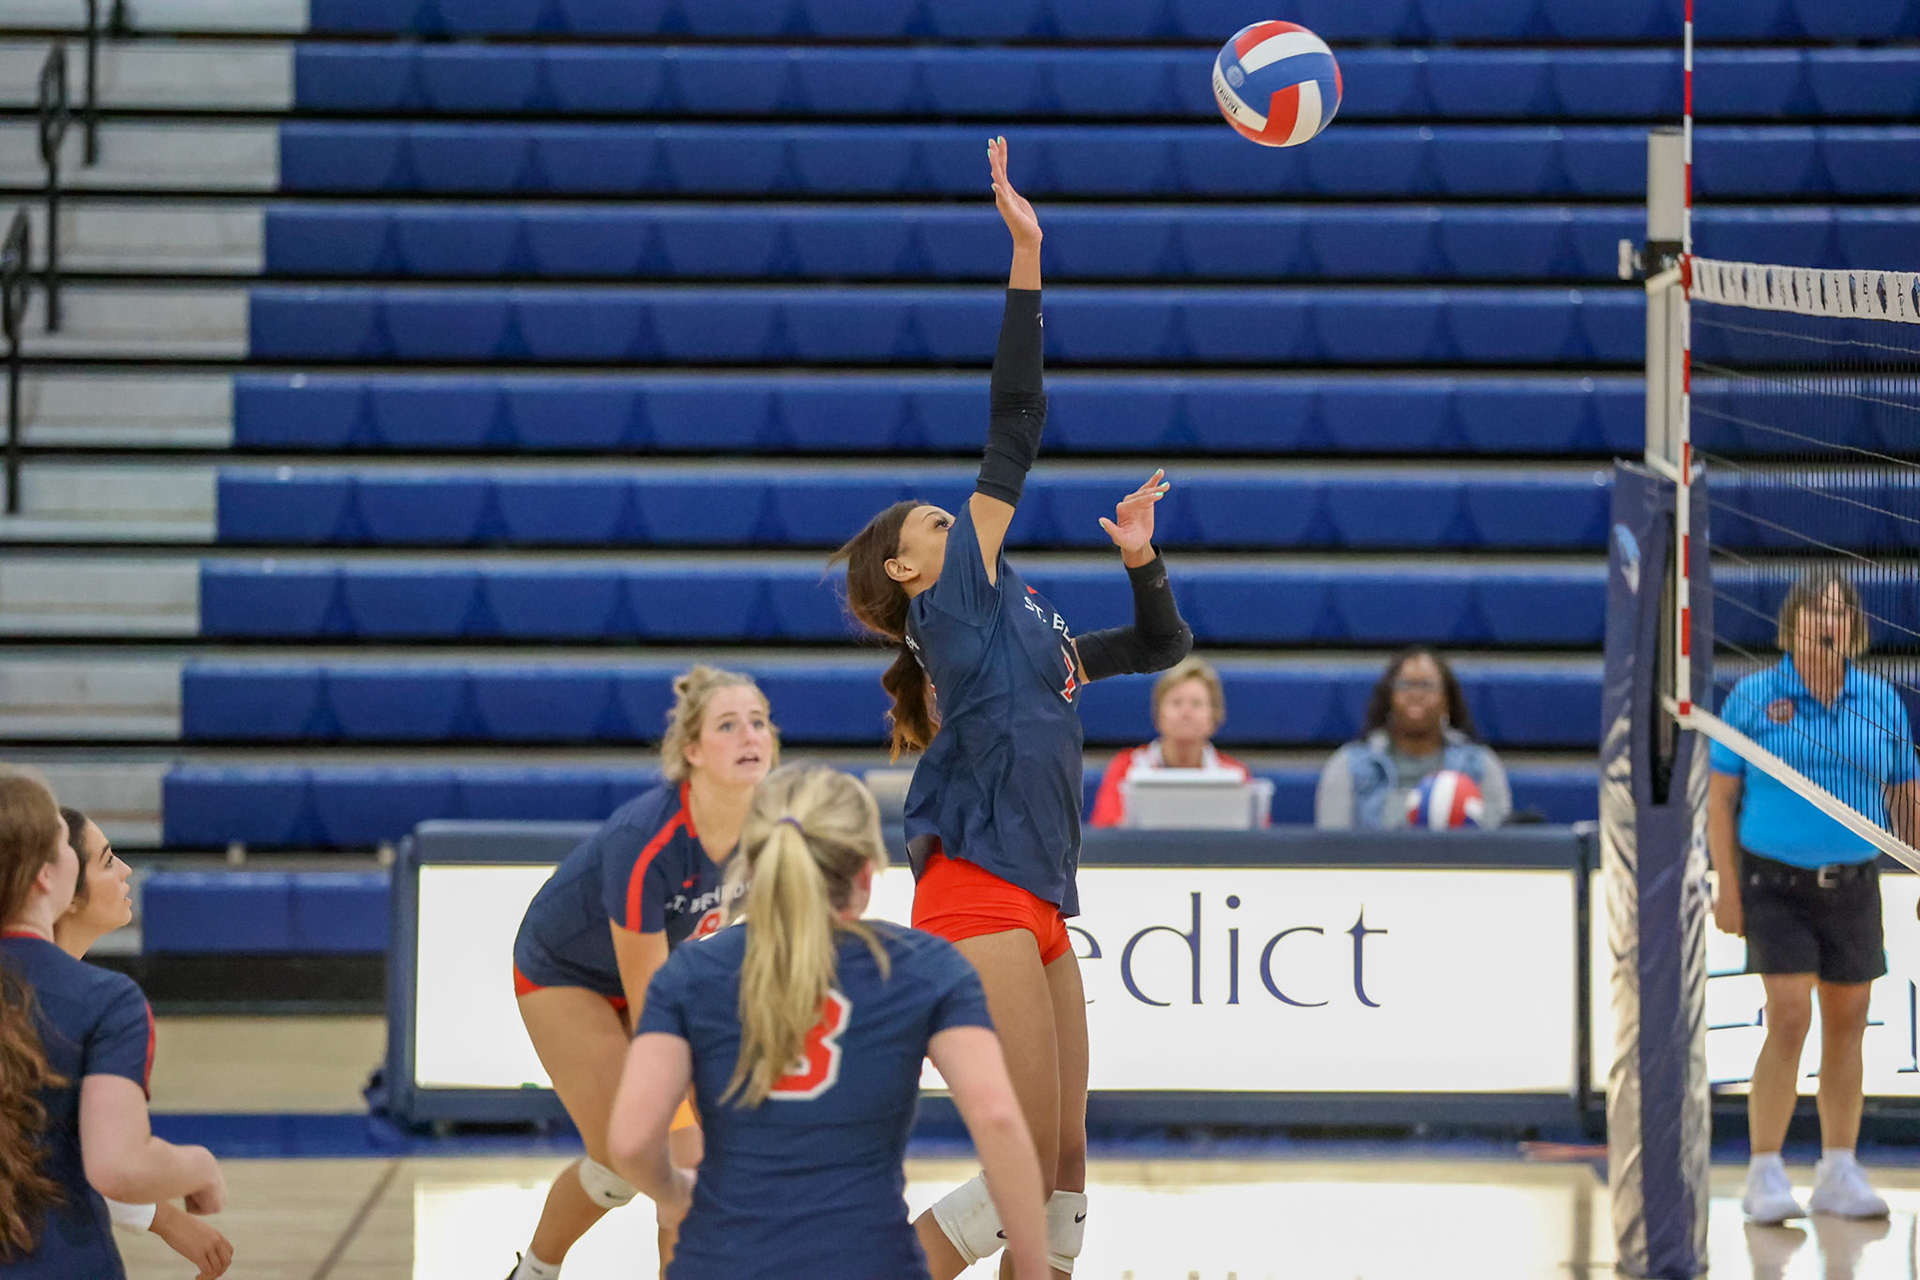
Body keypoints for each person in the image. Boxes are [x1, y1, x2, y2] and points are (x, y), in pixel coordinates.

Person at [831, 136, 1193, 1280]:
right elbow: (1015, 419)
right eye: (931, 524)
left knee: (1068, 1160)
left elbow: (1160, 645)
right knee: (1018, 1163)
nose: (955, 518)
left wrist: (1141, 557)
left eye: (951, 515)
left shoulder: (1021, 627)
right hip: (974, 893)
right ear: (905, 573)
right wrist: (1027, 253)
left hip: (1037, 893)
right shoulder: (949, 611)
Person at [607, 763, 1048, 1279]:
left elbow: (631, 1142)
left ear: (751, 867)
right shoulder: (926, 967)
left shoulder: (689, 971)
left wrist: (677, 1194)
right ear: (865, 874)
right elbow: (997, 1117)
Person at [507, 666, 777, 1280]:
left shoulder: (776, 828)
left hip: (666, 978)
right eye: (728, 725)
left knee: (684, 1168)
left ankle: (535, 1272)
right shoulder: (647, 838)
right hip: (565, 974)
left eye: (758, 722)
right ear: (692, 752)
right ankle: (539, 1271)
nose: (749, 736)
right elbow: (651, 998)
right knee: (651, 1163)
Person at [1709, 571, 1920, 1224]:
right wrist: (1725, 882)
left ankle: (1837, 1168)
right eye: (1815, 614)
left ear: (1855, 630)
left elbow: (1906, 794)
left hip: (1854, 883)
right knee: (1791, 1013)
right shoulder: (1754, 696)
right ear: (1791, 628)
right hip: (1775, 883)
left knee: (1849, 1021)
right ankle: (1765, 1170)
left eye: (1839, 615)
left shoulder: (1879, 701)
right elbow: (1720, 797)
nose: (1827, 624)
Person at [0, 770, 226, 1279]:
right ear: (47, 876)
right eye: (93, 857)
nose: (124, 870)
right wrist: (195, 1172)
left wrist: (162, 1217)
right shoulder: (100, 1000)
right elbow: (113, 1162)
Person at [1314, 647, 1511, 830]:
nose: (1415, 694)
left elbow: (1499, 844)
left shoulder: (1480, 765)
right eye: (1405, 685)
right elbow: (1332, 848)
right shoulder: (1348, 766)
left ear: (1447, 700)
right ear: (1388, 698)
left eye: (1427, 685)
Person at [1089, 656, 1250, 828]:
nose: (1186, 712)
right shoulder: (1125, 768)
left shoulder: (1236, 776)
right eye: (1176, 703)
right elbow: (1106, 834)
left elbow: (1257, 843)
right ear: (1159, 714)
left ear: (1215, 715)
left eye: (1196, 704)